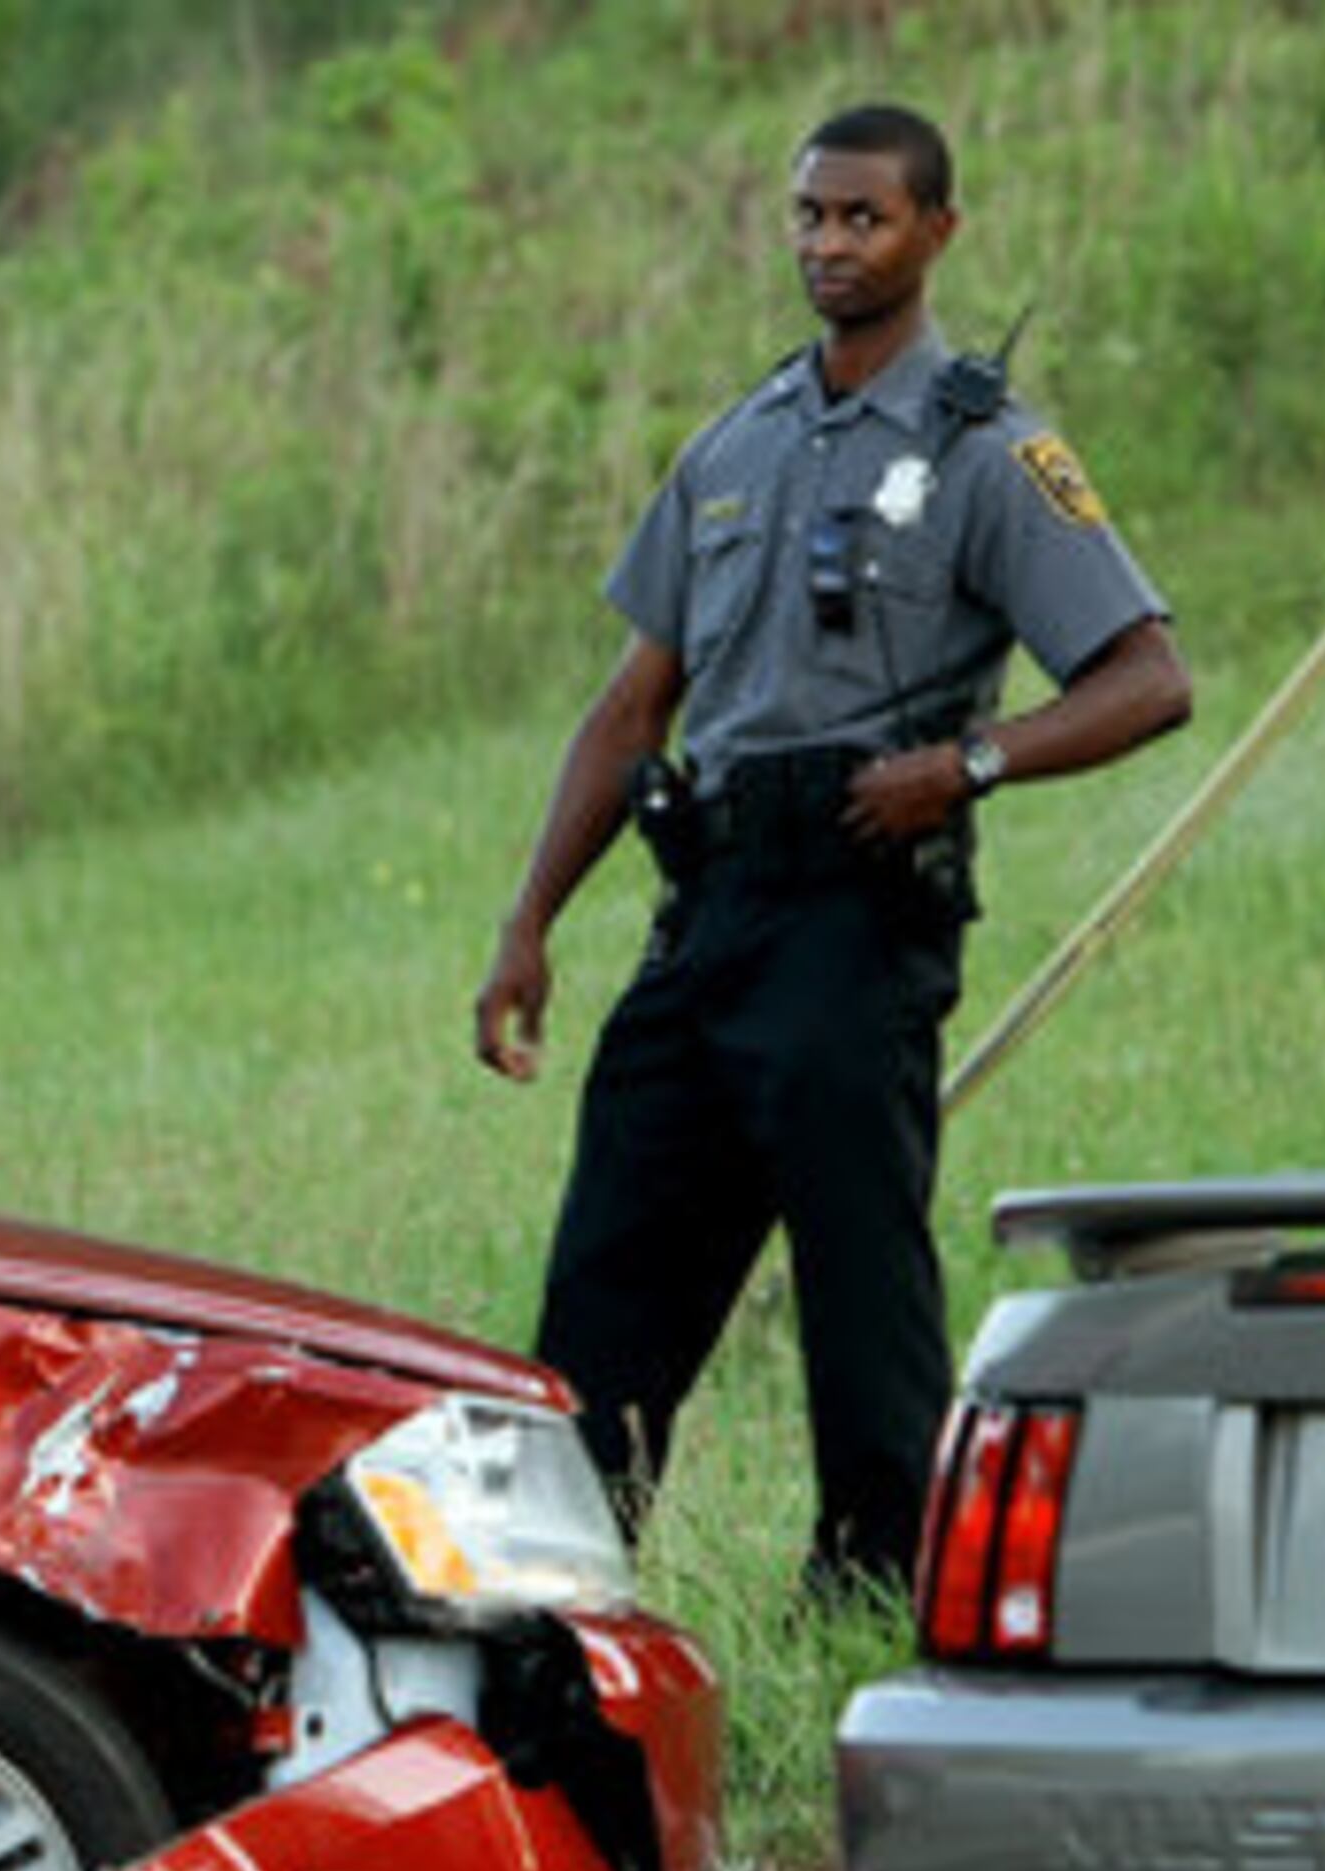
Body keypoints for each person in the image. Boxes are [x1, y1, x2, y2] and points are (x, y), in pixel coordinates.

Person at [472, 102, 1193, 1605]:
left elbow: (1147, 679)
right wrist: (531, 918)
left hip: (859, 901)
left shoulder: (993, 450)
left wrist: (970, 764)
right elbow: (633, 704)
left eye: (864, 218)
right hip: (708, 905)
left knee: (860, 1287)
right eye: (810, 215)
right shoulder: (735, 444)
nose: (829, 244)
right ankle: (550, 1603)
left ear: (937, 232)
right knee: (608, 1276)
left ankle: (875, 1590)